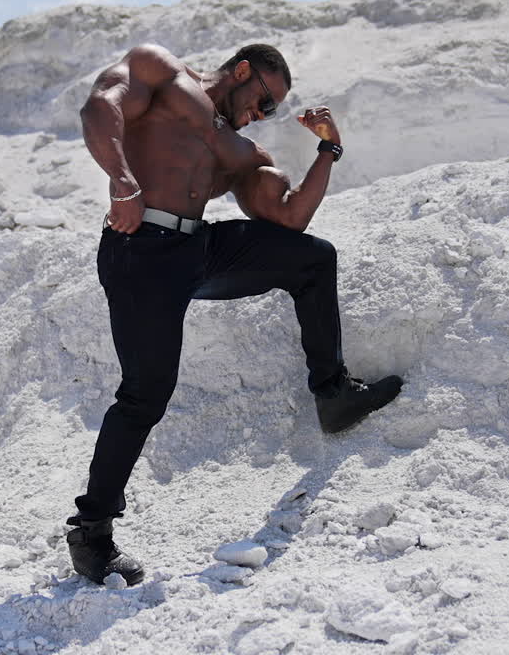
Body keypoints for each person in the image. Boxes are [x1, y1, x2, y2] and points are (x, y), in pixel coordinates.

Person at [67, 43, 404, 585]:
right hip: (138, 248)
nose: (261, 116)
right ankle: (91, 533)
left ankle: (333, 393)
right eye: (263, 100)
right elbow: (100, 108)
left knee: (311, 258)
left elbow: (289, 215)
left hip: (196, 250)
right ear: (242, 71)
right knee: (145, 394)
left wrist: (329, 152)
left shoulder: (237, 149)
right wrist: (121, 179)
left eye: (271, 112)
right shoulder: (162, 73)